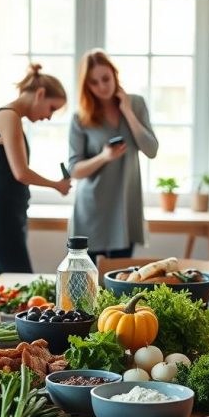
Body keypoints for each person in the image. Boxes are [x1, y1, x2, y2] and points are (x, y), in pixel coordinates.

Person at [0, 64, 72, 276]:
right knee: (21, 279)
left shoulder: (11, 117)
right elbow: (21, 173)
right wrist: (56, 185)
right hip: (0, 213)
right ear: (40, 94)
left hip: (6, 212)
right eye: (52, 108)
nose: (49, 116)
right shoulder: (8, 117)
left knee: (3, 283)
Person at [68, 49, 158, 262]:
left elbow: (151, 150)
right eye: (94, 82)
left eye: (106, 78)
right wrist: (104, 157)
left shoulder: (136, 104)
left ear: (114, 74)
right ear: (86, 85)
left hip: (125, 209)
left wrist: (127, 111)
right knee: (89, 288)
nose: (102, 86)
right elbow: (75, 170)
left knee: (121, 284)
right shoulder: (80, 118)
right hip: (92, 210)